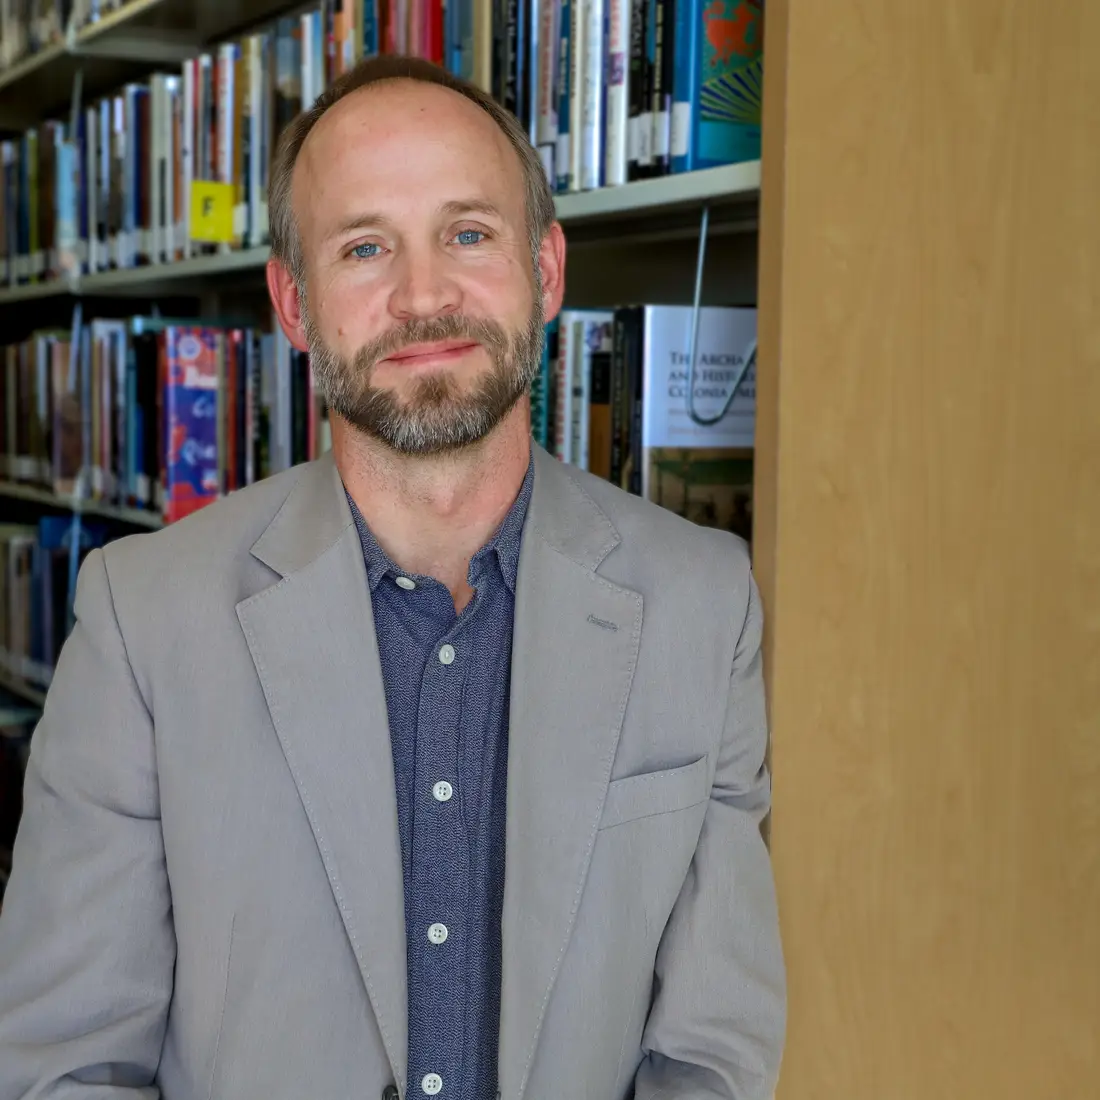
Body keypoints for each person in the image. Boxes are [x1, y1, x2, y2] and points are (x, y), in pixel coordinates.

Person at [0, 56, 786, 1100]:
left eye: (469, 233)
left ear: (546, 270)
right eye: (365, 247)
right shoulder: (140, 620)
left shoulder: (703, 604)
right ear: (294, 302)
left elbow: (711, 1054)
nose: (424, 295)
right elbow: (66, 1063)